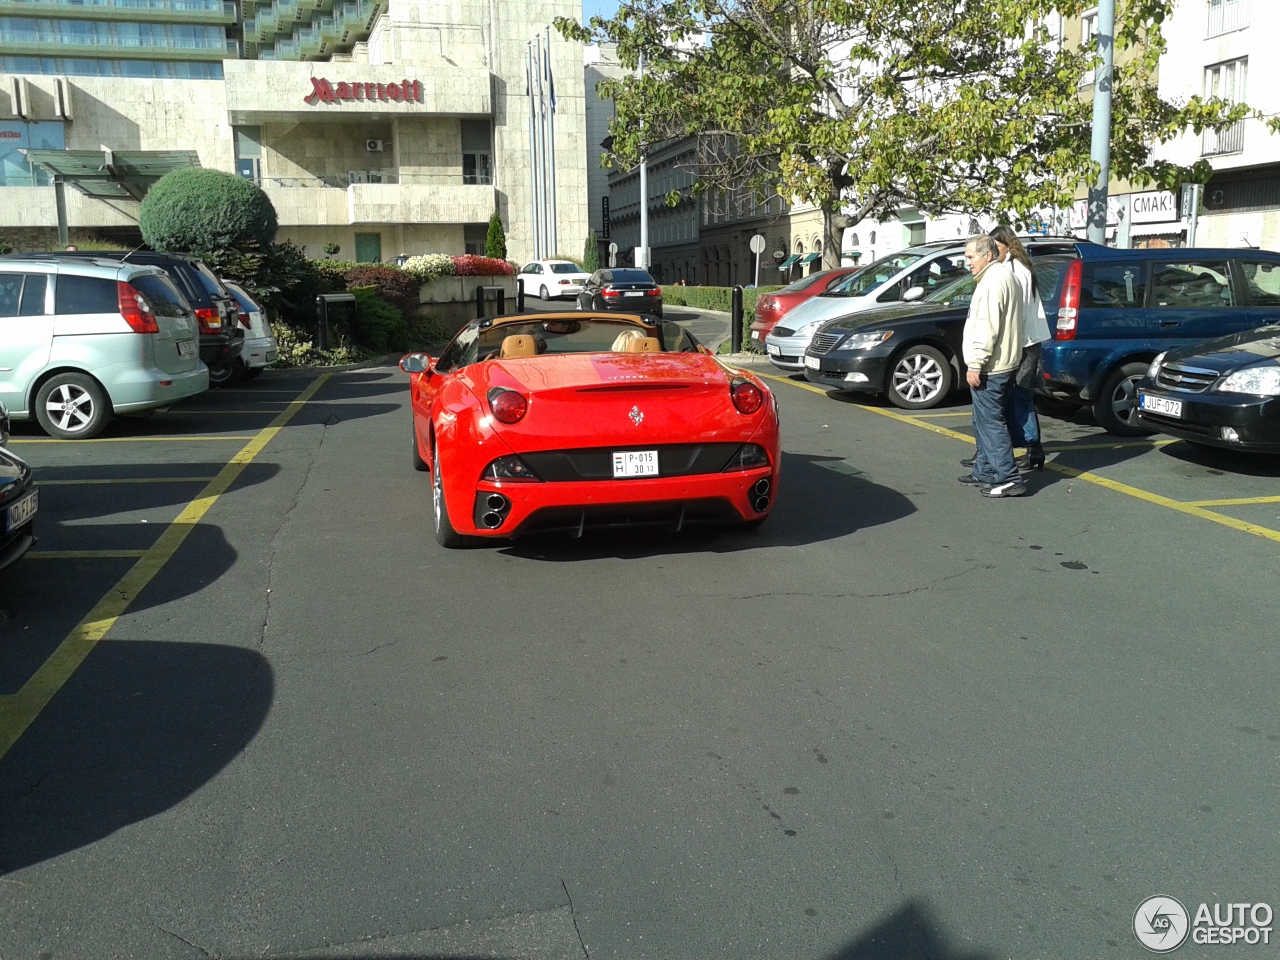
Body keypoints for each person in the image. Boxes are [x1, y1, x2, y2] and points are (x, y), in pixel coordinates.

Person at [959, 235, 1026, 498]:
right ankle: (985, 471)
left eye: (970, 257)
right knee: (985, 421)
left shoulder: (992, 282)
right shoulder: (1004, 276)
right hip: (1004, 362)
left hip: (992, 365)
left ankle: (1009, 478)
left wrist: (975, 363)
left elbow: (988, 327)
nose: (967, 263)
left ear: (987, 255)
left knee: (991, 423)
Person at [991, 225, 1050, 470]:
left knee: (1016, 396)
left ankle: (1031, 447)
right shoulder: (1019, 267)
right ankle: (1024, 448)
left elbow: (1015, 309)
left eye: (996, 247)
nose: (993, 252)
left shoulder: (1013, 269)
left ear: (1007, 244)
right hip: (1026, 341)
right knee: (1013, 396)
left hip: (1021, 342)